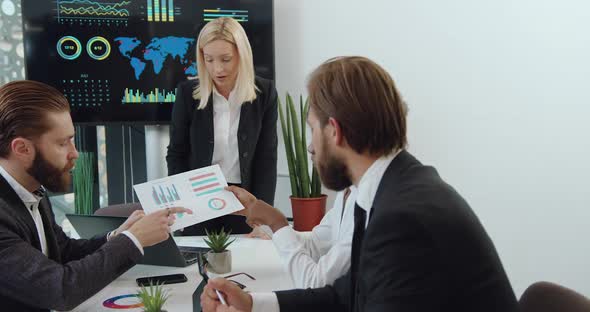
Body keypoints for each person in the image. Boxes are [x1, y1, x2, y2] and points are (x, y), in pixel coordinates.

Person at [201, 56, 520, 312]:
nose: (310, 147)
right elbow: (346, 295)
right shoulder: (386, 189)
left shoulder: (400, 218)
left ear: (335, 132)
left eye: (313, 129)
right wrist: (254, 304)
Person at [0, 80, 191, 312]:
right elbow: (61, 290)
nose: (75, 153)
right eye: (63, 143)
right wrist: (134, 239)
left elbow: (63, 252)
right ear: (22, 149)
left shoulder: (31, 189)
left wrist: (118, 235)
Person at [166, 17, 278, 236]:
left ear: (241, 56)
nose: (217, 69)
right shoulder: (188, 93)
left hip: (243, 202)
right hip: (198, 201)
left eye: (226, 59)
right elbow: (177, 153)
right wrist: (182, 206)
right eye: (209, 59)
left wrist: (262, 217)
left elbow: (266, 159)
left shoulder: (265, 93)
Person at [246, 187, 356, 288]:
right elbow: (314, 245)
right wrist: (257, 212)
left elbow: (316, 283)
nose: (315, 164)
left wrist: (277, 223)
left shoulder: (366, 202)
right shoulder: (347, 191)